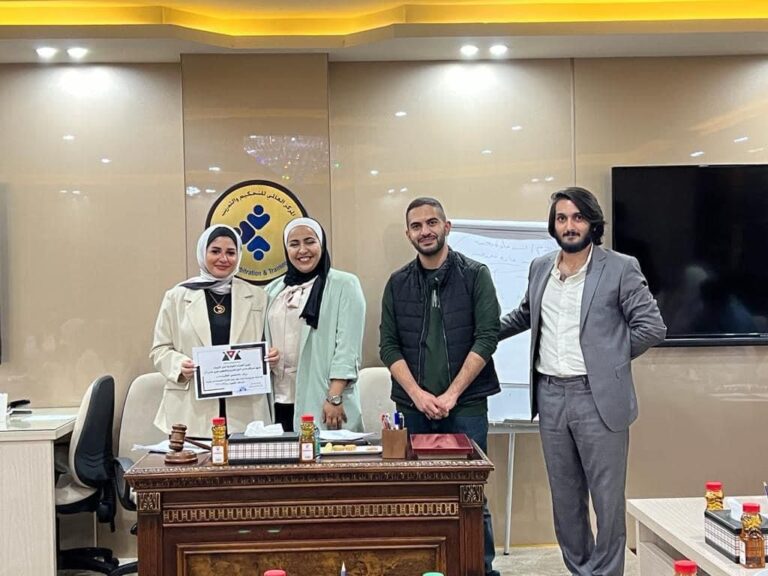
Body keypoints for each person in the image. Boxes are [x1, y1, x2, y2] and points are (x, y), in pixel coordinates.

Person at [499, 187, 666, 576]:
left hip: (597, 397)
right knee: (565, 500)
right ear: (553, 224)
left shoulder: (620, 267)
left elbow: (652, 327)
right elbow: (525, 314)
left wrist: (607, 363)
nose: (569, 225)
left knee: (607, 501)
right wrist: (482, 335)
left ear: (592, 222)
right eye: (561, 218)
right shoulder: (541, 267)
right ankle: (579, 570)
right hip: (550, 396)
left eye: (577, 217)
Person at [379, 197, 502, 576]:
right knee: (415, 495)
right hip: (413, 409)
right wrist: (417, 395)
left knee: (471, 496)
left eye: (432, 223)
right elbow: (388, 346)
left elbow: (487, 337)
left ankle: (480, 570)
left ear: (447, 227)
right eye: (416, 226)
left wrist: (452, 394)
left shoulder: (475, 275)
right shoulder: (397, 283)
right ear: (408, 234)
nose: (425, 231)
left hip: (466, 407)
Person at [150, 224, 277, 438]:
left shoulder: (258, 297)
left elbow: (268, 342)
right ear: (203, 253)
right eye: (215, 251)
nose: (223, 259)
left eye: (231, 252)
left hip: (245, 407)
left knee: (243, 459)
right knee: (194, 460)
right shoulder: (177, 296)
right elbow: (160, 349)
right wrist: (179, 365)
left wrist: (271, 357)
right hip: (191, 409)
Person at [264, 217, 365, 432]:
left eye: (310, 241)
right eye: (294, 244)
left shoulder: (344, 284)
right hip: (278, 399)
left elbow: (348, 348)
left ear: (322, 244)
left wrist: (334, 396)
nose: (302, 250)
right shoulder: (273, 290)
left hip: (324, 400)